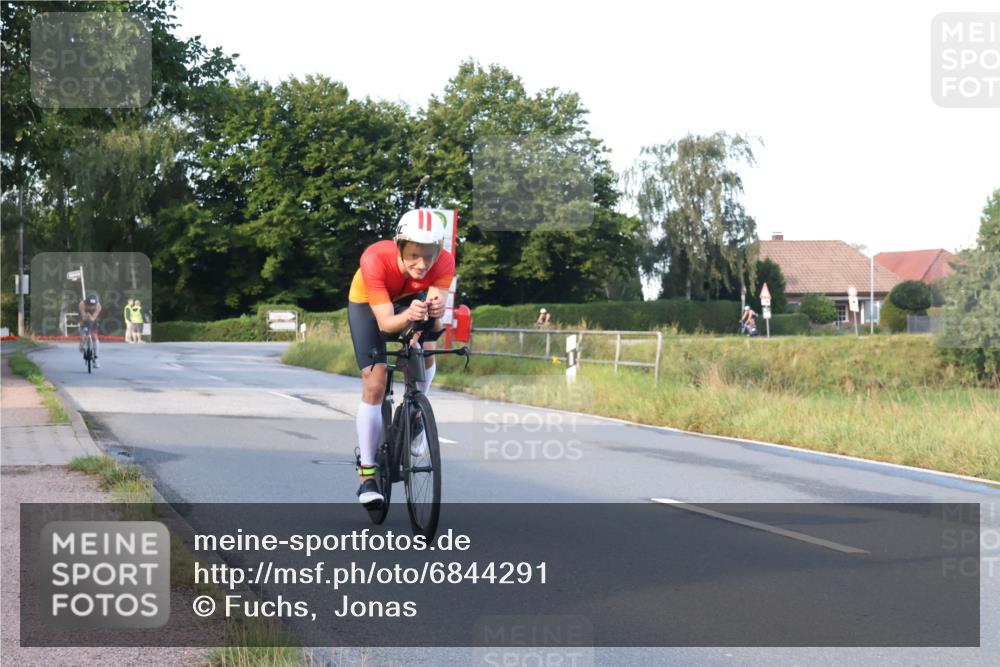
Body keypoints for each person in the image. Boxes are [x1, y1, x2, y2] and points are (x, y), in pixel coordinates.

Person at [347, 209, 455, 506]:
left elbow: (433, 329)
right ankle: (367, 474)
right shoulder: (375, 258)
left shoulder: (444, 261)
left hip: (409, 299)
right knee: (376, 381)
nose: (422, 265)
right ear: (400, 248)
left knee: (425, 353)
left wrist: (430, 318)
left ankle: (417, 416)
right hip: (369, 305)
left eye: (429, 256)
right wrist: (407, 315)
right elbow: (384, 324)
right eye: (413, 256)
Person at [78, 292, 102, 367]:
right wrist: (86, 316)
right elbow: (83, 315)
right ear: (86, 302)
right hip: (83, 319)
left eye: (93, 306)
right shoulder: (82, 304)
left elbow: (94, 317)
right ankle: (82, 344)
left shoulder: (98, 306)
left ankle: (95, 358)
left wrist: (91, 317)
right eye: (89, 305)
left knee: (94, 336)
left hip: (93, 320)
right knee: (83, 334)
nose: (91, 307)